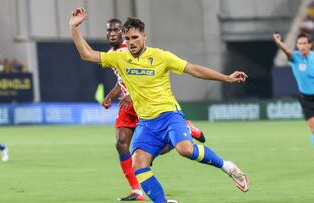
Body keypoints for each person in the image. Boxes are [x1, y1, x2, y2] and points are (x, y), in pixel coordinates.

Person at [70, 8, 249, 203]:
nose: (131, 43)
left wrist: (226, 78)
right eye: (128, 39)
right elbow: (87, 54)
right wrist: (73, 27)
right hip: (147, 123)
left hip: (169, 115)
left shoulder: (161, 56)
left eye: (135, 38)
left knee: (185, 150)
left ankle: (228, 167)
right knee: (138, 164)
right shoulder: (120, 58)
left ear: (144, 37)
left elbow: (193, 70)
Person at [102, 18, 206, 201]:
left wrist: (131, 93)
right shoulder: (112, 53)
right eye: (109, 30)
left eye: (115, 30)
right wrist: (111, 96)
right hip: (129, 104)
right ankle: (136, 190)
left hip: (142, 100)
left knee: (151, 149)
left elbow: (141, 74)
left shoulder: (131, 48)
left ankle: (184, 130)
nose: (112, 34)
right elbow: (122, 80)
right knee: (121, 143)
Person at [273, 32, 314, 168]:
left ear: (310, 45)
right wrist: (279, 42)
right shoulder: (295, 58)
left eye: (304, 43)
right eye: (299, 44)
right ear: (297, 46)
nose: (302, 46)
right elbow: (286, 51)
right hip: (307, 99)